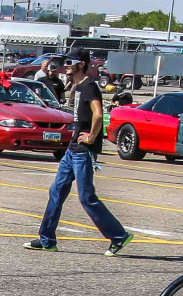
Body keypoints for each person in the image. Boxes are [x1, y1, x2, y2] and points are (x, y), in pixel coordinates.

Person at [24, 51, 131, 256]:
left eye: (69, 62)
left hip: (84, 152)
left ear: (81, 64)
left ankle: (118, 236)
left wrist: (91, 137)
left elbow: (98, 114)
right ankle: (47, 240)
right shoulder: (78, 86)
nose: (65, 65)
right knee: (56, 191)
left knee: (86, 197)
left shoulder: (89, 86)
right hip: (72, 151)